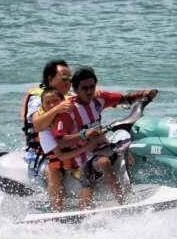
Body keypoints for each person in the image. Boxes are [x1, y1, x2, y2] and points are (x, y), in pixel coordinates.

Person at [69, 66, 158, 206]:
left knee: (127, 146)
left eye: (92, 87)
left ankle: (135, 187)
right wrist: (83, 135)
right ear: (75, 89)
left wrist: (145, 94)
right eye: (84, 88)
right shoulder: (69, 109)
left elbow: (126, 99)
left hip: (100, 149)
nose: (89, 91)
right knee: (104, 162)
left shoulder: (99, 99)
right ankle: (122, 203)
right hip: (81, 156)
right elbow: (60, 138)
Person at [22, 59, 78, 212]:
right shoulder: (37, 98)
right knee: (54, 170)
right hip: (42, 156)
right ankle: (57, 213)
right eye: (64, 78)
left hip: (68, 147)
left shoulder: (71, 97)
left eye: (70, 79)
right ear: (50, 79)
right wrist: (57, 108)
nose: (68, 82)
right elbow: (37, 124)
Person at [33, 88, 98, 211]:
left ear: (63, 101)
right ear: (43, 107)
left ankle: (84, 209)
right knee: (54, 172)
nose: (52, 105)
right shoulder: (45, 131)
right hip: (63, 162)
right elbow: (60, 156)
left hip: (80, 158)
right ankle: (58, 210)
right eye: (48, 103)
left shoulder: (76, 116)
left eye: (55, 101)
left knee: (91, 169)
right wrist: (86, 147)